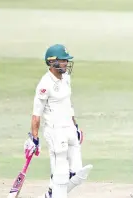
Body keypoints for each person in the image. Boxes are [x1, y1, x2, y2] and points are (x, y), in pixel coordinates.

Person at [26, 44, 92, 198]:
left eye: (66, 61)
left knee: (77, 173)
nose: (66, 64)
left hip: (69, 128)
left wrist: (75, 127)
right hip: (55, 131)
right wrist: (34, 138)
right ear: (52, 62)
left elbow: (68, 105)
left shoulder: (66, 78)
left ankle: (50, 193)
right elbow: (36, 114)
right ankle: (55, 193)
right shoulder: (45, 84)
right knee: (60, 173)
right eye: (63, 61)